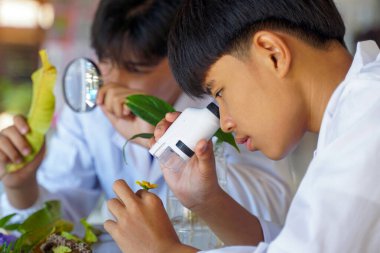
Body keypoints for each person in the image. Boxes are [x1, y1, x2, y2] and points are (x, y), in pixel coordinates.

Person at [0, 0, 303, 241]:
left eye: (134, 68)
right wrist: (22, 187)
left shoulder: (226, 104)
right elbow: (56, 220)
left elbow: (273, 214)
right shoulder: (89, 112)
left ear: (180, 58)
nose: (113, 82)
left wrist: (166, 146)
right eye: (106, 60)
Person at [103, 0, 380, 252]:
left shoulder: (369, 114)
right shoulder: (354, 112)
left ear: (272, 53)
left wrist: (161, 250)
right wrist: (205, 200)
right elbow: (289, 243)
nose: (225, 122)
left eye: (220, 92)